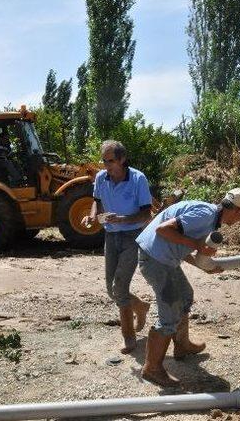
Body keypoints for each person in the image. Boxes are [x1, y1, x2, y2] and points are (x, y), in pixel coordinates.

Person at [135, 188, 240, 387]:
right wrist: (198, 246)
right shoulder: (204, 216)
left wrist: (201, 264)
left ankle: (182, 345)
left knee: (185, 294)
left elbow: (179, 244)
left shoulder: (210, 217)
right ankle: (152, 368)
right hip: (156, 260)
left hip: (162, 257)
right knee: (169, 315)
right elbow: (163, 230)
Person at [82, 140, 153, 354]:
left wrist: (122, 219)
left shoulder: (138, 179)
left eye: (110, 161)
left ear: (122, 159)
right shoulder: (101, 178)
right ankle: (140, 307)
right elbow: (97, 201)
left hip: (133, 236)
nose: (106, 166)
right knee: (111, 290)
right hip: (110, 236)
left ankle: (128, 336)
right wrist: (93, 216)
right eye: (104, 161)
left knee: (119, 288)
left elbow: (146, 213)